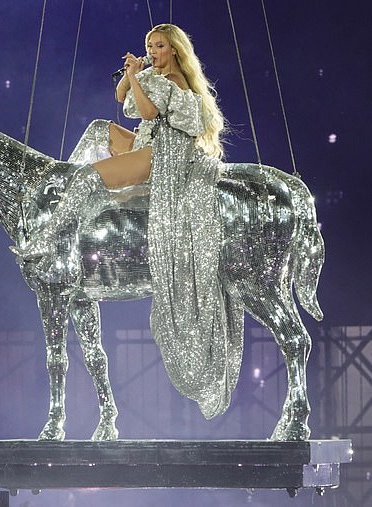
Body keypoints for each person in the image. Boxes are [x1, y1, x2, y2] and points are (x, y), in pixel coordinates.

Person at [16, 24, 244, 419]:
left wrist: (141, 78)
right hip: (148, 142)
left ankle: (51, 232)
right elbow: (122, 99)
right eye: (148, 47)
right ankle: (74, 192)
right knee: (97, 130)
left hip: (165, 156)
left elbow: (148, 111)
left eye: (158, 47)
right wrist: (131, 74)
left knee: (90, 176)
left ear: (174, 50)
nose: (153, 52)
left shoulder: (172, 79)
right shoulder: (152, 75)